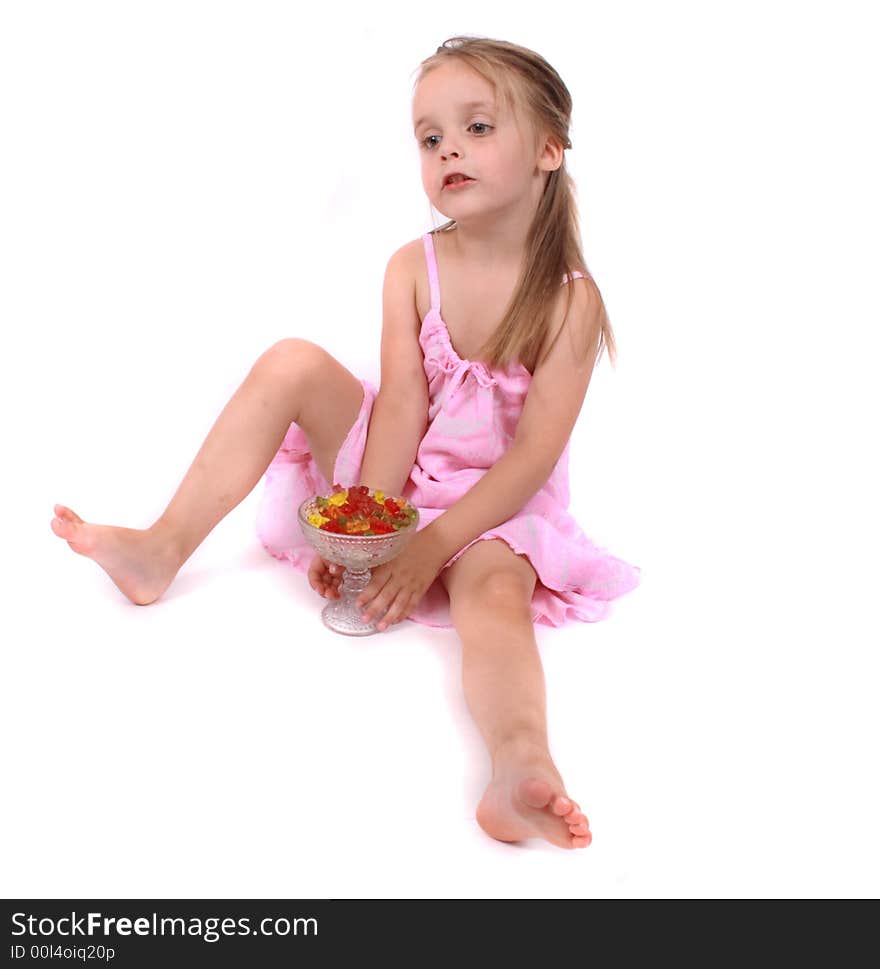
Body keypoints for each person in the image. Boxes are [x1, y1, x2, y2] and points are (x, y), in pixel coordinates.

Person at [51, 36, 641, 850]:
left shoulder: (569, 302)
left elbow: (531, 459)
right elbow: (399, 403)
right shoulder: (412, 265)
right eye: (431, 139)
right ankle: (161, 547)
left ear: (548, 148)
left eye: (476, 128)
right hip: (404, 469)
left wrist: (431, 545)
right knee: (291, 360)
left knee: (495, 603)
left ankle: (518, 763)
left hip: (490, 505)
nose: (448, 151)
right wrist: (370, 527)